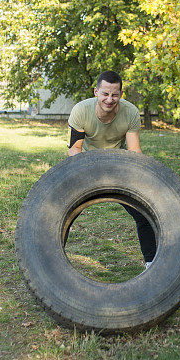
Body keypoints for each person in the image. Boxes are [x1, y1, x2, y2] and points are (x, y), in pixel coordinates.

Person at [67, 70, 157, 268]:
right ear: (96, 92)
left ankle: (152, 264)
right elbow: (74, 150)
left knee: (143, 213)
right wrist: (84, 174)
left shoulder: (131, 112)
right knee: (63, 213)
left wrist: (142, 182)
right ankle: (53, 261)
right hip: (86, 165)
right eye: (105, 94)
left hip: (118, 165)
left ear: (121, 94)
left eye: (115, 94)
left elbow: (134, 151)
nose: (109, 99)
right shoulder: (81, 111)